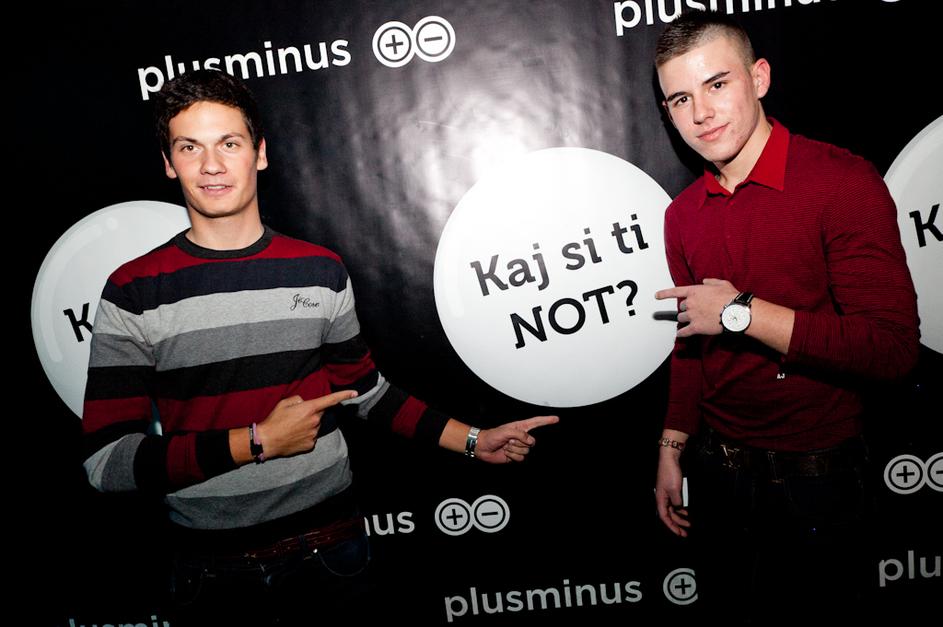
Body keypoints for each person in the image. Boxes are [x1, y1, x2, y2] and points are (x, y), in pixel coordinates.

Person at [81, 69, 558, 626]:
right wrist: (256, 442)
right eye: (190, 147)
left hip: (332, 555)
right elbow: (106, 462)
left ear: (259, 153)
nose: (211, 165)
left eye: (229, 143)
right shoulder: (134, 289)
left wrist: (475, 440)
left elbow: (366, 392)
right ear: (169, 163)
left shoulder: (319, 270)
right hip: (210, 575)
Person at [650, 11, 919, 623]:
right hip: (717, 475)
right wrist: (672, 445)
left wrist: (741, 313)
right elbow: (690, 342)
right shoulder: (682, 215)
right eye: (681, 99)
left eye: (718, 84)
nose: (701, 113)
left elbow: (891, 348)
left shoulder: (841, 182)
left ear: (759, 78)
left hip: (820, 481)